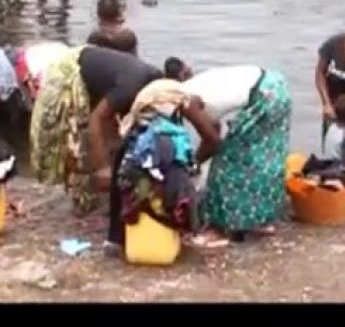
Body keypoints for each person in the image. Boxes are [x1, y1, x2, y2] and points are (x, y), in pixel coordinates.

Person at [29, 46, 169, 214]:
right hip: (70, 72)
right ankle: (82, 194)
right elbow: (96, 119)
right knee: (75, 143)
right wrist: (104, 168)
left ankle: (103, 184)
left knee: (114, 141)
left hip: (97, 75)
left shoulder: (152, 84)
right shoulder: (130, 87)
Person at [175, 64, 292, 243]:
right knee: (263, 157)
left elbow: (213, 141)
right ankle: (261, 220)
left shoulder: (184, 101)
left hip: (264, 96)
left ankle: (219, 228)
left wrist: (195, 162)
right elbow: (213, 129)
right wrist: (198, 160)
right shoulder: (191, 88)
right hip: (276, 86)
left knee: (226, 163)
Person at [107, 77, 222, 253]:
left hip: (138, 128)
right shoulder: (189, 101)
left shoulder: (171, 99)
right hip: (151, 130)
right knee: (172, 180)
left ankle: (115, 239)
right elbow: (212, 139)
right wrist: (195, 164)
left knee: (126, 177)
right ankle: (178, 227)